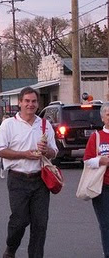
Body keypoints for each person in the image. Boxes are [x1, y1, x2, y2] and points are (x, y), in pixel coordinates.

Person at [0, 87, 57, 258]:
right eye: (27, 101)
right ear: (20, 103)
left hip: (40, 180)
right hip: (18, 179)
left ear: (38, 104)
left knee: (40, 224)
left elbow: (54, 152)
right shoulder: (9, 124)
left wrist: (46, 152)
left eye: (34, 101)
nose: (30, 105)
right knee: (20, 221)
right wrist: (24, 154)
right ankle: (11, 249)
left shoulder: (44, 125)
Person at [84, 102, 109, 257]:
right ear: (103, 118)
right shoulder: (97, 137)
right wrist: (101, 161)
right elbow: (87, 161)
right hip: (103, 188)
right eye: (108, 114)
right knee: (106, 225)